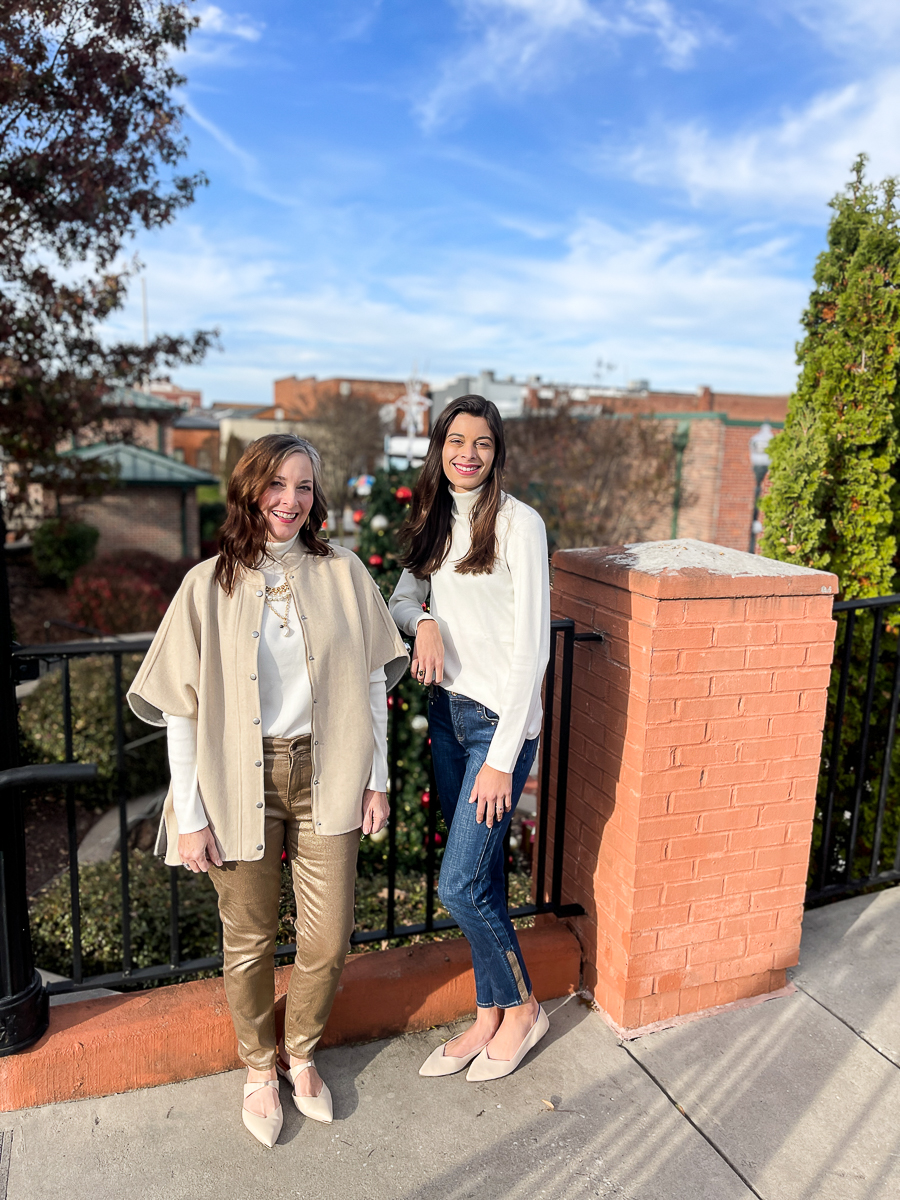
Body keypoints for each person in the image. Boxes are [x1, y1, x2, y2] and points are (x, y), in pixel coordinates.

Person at [127, 434, 407, 1148]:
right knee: (248, 942)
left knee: (328, 936)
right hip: (238, 781)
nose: (291, 500)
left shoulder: (342, 571)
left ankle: (302, 1051)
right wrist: (191, 817)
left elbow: (375, 677)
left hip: (329, 771)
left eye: (305, 486)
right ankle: (258, 1067)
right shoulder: (206, 584)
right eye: (278, 485)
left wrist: (377, 777)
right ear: (251, 490)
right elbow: (183, 710)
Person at [389, 394, 551, 1082]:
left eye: (482, 443)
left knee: (458, 885)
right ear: (440, 445)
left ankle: (522, 1007)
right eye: (458, 440)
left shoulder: (521, 525)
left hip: (498, 729)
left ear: (497, 451)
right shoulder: (432, 518)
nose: (468, 454)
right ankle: (488, 1014)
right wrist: (423, 622)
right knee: (479, 876)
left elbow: (533, 650)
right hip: (451, 722)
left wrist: (504, 761)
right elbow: (397, 598)